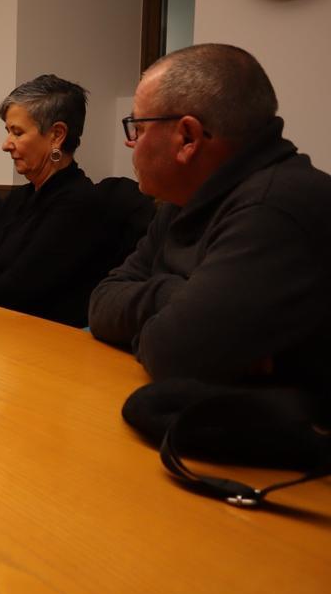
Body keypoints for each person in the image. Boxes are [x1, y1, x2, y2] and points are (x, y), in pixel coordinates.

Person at [89, 43, 331, 382]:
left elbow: (173, 353)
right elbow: (102, 303)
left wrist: (173, 318)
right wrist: (181, 296)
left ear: (187, 137)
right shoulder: (180, 201)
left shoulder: (274, 207)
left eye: (139, 128)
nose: (132, 143)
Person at [0, 75, 103, 327]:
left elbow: (21, 287)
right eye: (8, 131)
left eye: (17, 132)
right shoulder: (20, 197)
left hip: (41, 338)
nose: (6, 145)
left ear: (57, 135)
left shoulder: (80, 203)